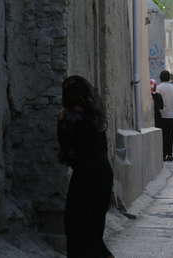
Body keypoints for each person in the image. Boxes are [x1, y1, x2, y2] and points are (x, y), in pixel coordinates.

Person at [57, 75, 114, 258]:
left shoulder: (70, 117)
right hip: (103, 175)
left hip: (85, 177)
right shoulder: (94, 116)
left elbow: (67, 152)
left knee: (76, 229)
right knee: (93, 232)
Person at [156, 70, 173, 161]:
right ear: (169, 78)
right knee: (170, 136)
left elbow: (157, 102)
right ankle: (170, 154)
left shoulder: (158, 88)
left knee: (163, 136)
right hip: (171, 116)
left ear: (160, 78)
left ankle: (163, 154)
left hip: (162, 116)